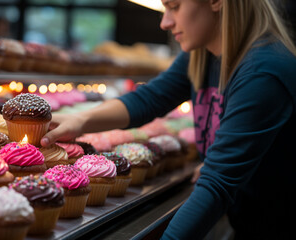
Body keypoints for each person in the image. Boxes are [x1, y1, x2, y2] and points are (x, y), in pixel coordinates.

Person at [40, 0, 296, 239]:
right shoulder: (204, 52)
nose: (165, 22)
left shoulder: (264, 72)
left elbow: (217, 185)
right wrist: (80, 119)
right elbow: (151, 98)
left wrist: (218, 164)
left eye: (174, 6)